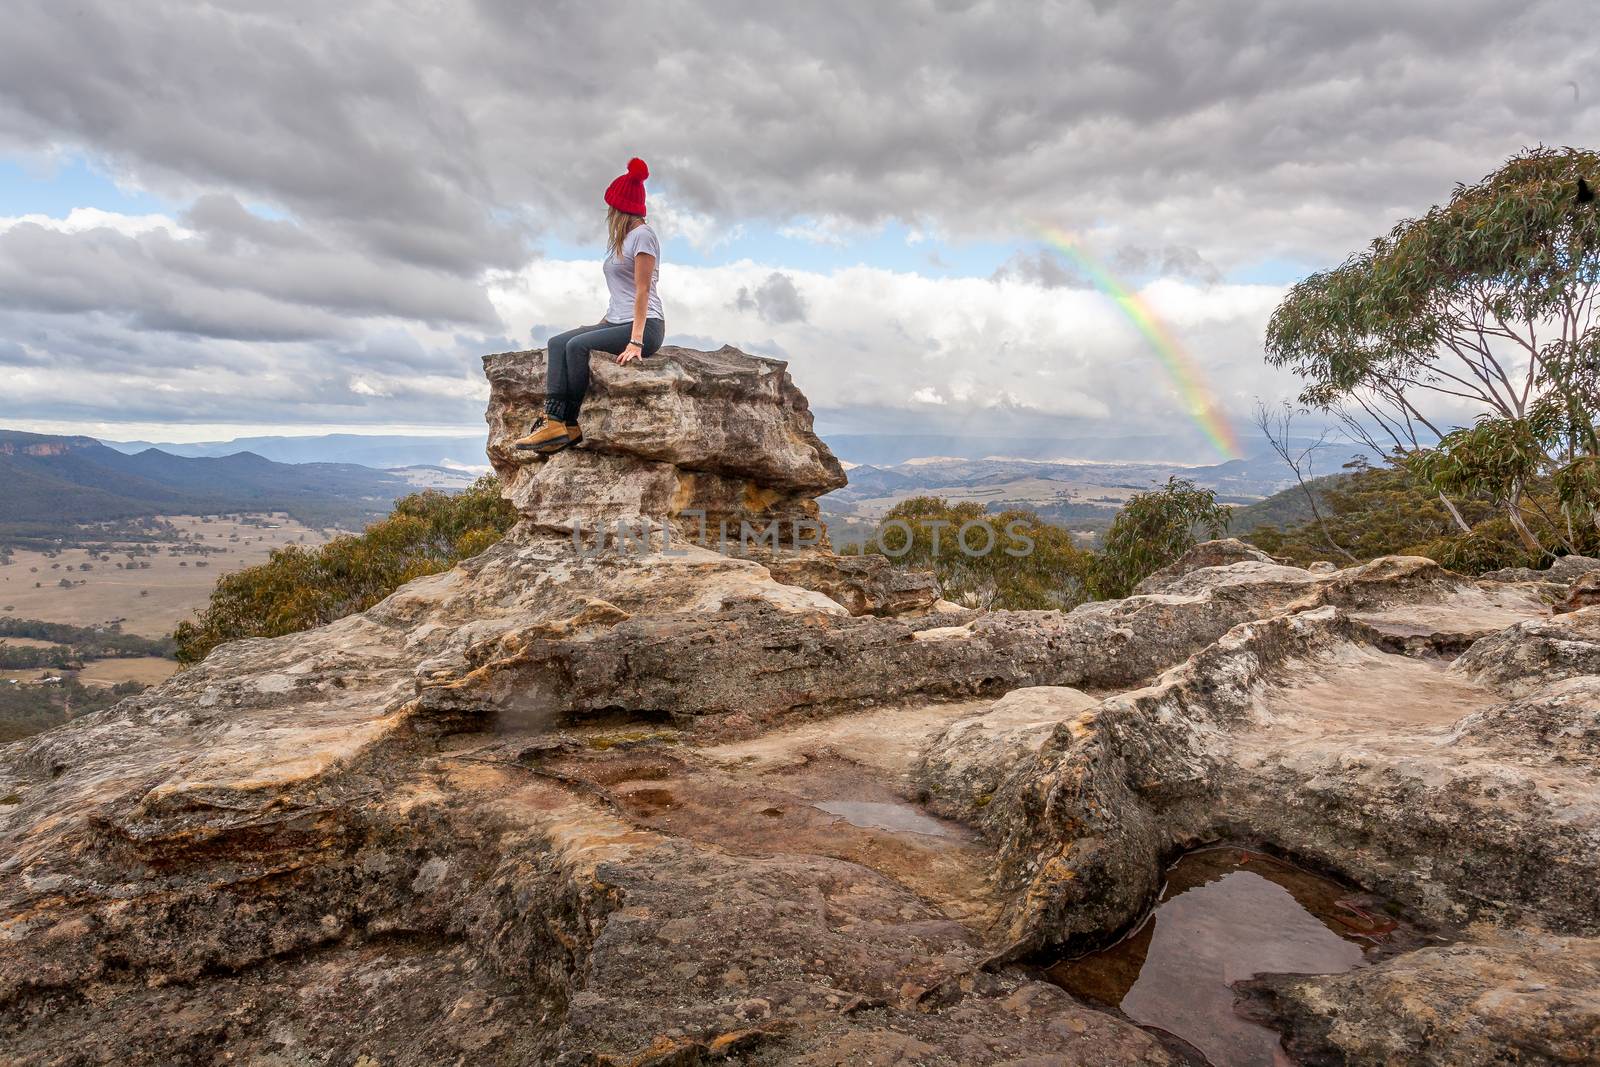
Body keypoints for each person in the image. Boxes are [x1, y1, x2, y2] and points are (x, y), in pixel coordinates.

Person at [514, 157, 666, 453]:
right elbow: (620, 292)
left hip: (646, 326)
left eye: (612, 207)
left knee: (577, 347)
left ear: (621, 208)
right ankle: (554, 420)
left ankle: (566, 423)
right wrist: (601, 325)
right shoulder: (626, 240)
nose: (608, 212)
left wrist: (635, 341)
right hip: (616, 320)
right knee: (558, 342)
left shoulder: (644, 236)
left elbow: (642, 289)